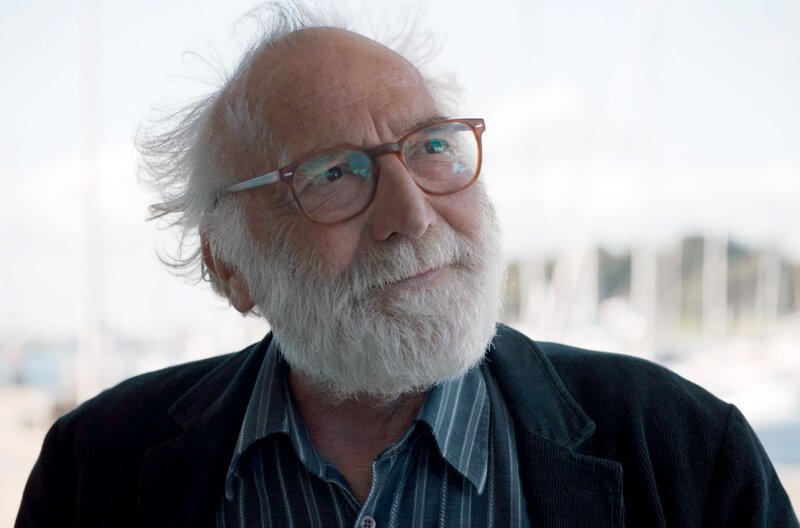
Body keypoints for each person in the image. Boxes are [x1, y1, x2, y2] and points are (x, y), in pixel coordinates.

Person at [16, 4, 799, 528]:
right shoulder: (97, 466)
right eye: (333, 173)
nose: (413, 214)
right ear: (230, 266)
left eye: (431, 147)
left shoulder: (684, 450)